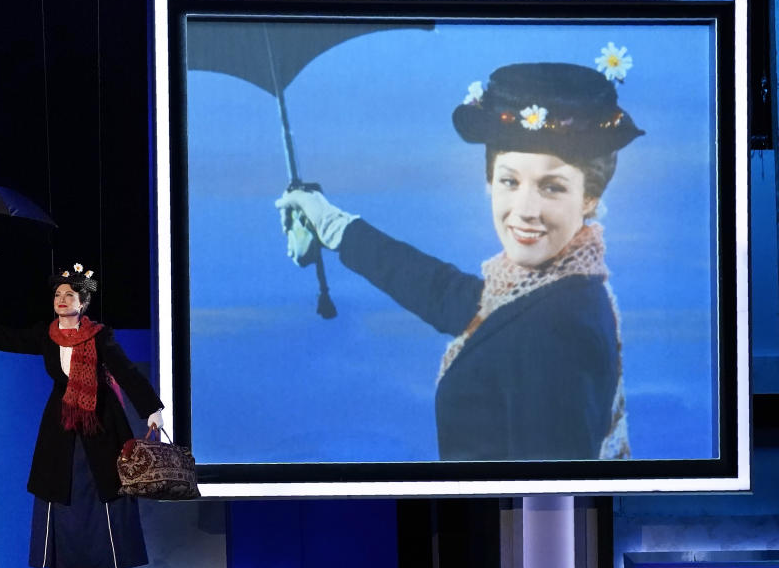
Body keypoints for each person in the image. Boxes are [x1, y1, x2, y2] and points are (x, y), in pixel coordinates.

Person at [275, 61, 643, 461]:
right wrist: (334, 226)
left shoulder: (555, 329)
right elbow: (450, 295)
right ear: (489, 182)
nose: (525, 210)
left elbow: (547, 500)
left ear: (589, 197)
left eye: (552, 187)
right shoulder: (557, 288)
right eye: (509, 181)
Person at [0, 263, 164, 568]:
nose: (62, 299)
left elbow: (125, 371)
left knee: (99, 494)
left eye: (70, 295)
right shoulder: (47, 334)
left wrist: (151, 409)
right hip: (61, 426)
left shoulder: (99, 335)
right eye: (58, 294)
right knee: (63, 493)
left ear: (83, 303)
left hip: (101, 424)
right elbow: (8, 338)